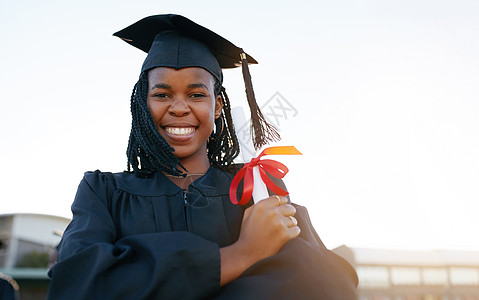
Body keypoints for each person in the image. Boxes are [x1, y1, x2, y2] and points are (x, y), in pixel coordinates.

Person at [47, 14, 357, 299]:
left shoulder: (256, 189)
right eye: (161, 94)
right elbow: (78, 282)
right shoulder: (104, 193)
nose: (179, 108)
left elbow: (321, 281)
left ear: (218, 106)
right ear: (143, 103)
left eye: (197, 94)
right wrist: (243, 254)